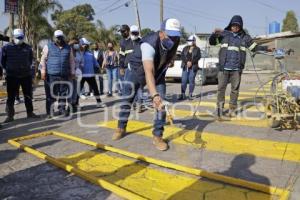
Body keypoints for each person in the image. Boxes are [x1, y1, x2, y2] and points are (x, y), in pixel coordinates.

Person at [113, 18, 181, 151]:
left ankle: (157, 135)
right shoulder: (149, 44)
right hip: (136, 72)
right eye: (170, 35)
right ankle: (121, 127)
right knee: (127, 100)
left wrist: (168, 61)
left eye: (176, 36)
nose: (173, 39)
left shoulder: (175, 41)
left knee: (161, 103)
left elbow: (167, 59)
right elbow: (148, 72)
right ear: (161, 33)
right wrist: (154, 94)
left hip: (157, 73)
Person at [209, 15, 271, 119]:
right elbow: (212, 42)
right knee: (221, 89)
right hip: (223, 69)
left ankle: (232, 110)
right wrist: (214, 34)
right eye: (233, 25)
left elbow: (254, 48)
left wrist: (267, 48)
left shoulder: (245, 37)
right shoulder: (224, 35)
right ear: (230, 25)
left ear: (240, 26)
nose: (235, 27)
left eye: (237, 25)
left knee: (235, 90)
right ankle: (219, 110)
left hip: (237, 70)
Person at [1, 29, 39, 123]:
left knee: (28, 95)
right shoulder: (6, 48)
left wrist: (25, 68)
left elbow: (30, 60)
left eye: (21, 37)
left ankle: (30, 113)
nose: (20, 39)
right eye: (18, 37)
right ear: (13, 37)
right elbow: (2, 61)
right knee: (11, 97)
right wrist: (9, 69)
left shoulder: (28, 47)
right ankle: (10, 116)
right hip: (12, 76)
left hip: (25, 75)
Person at [40, 30, 75, 118]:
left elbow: (71, 61)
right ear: (54, 38)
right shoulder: (48, 46)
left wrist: (72, 72)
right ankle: (49, 112)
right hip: (51, 75)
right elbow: (43, 60)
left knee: (63, 94)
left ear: (63, 37)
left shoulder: (68, 48)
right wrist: (43, 72)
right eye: (57, 37)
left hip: (64, 75)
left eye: (60, 37)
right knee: (51, 94)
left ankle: (62, 109)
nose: (58, 39)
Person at [76, 38, 103, 108]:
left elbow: (95, 62)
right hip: (81, 75)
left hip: (91, 74)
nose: (86, 46)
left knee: (95, 89)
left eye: (87, 45)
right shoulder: (77, 53)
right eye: (85, 45)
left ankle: (99, 102)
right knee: (78, 90)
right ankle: (75, 104)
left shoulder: (90, 53)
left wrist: (99, 68)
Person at [178, 35, 201, 100]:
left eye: (191, 41)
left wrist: (191, 62)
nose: (190, 42)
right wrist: (186, 62)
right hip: (185, 66)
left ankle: (190, 94)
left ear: (194, 41)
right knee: (184, 80)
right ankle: (182, 94)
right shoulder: (185, 48)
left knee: (191, 80)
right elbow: (182, 56)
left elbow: (198, 57)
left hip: (193, 67)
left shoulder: (197, 49)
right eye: (189, 41)